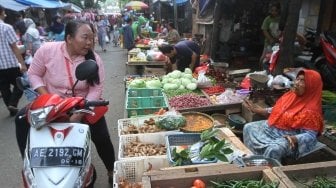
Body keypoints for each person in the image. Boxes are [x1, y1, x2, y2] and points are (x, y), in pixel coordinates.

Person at [15, 20, 116, 183]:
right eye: (85, 37)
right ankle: (30, 164)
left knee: (102, 137)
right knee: (21, 119)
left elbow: (96, 89)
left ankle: (112, 170)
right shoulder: (47, 51)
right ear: (69, 38)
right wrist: (47, 98)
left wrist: (79, 112)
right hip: (51, 104)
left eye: (92, 38)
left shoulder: (94, 59)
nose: (90, 42)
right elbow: (34, 74)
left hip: (84, 104)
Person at [243, 69, 324, 162]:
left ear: (311, 86)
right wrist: (262, 110)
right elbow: (280, 109)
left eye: (302, 81)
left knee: (274, 149)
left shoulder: (311, 110)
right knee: (248, 127)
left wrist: (295, 138)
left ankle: (268, 170)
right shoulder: (291, 95)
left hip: (290, 137)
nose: (297, 83)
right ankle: (253, 159)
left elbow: (310, 135)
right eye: (297, 79)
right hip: (274, 128)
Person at [0, 6, 27, 116]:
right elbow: (15, 47)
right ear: (1, 13)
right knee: (20, 85)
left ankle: (11, 108)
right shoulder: (6, 27)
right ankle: (13, 103)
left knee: (4, 89)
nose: (5, 14)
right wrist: (22, 63)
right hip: (11, 63)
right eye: (4, 12)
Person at [260, 3, 281, 68]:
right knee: (263, 57)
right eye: (272, 10)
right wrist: (270, 39)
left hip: (278, 43)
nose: (274, 12)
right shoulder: (268, 19)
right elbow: (264, 30)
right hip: (269, 43)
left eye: (275, 10)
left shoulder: (281, 19)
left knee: (273, 57)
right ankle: (260, 71)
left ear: (278, 11)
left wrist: (279, 40)